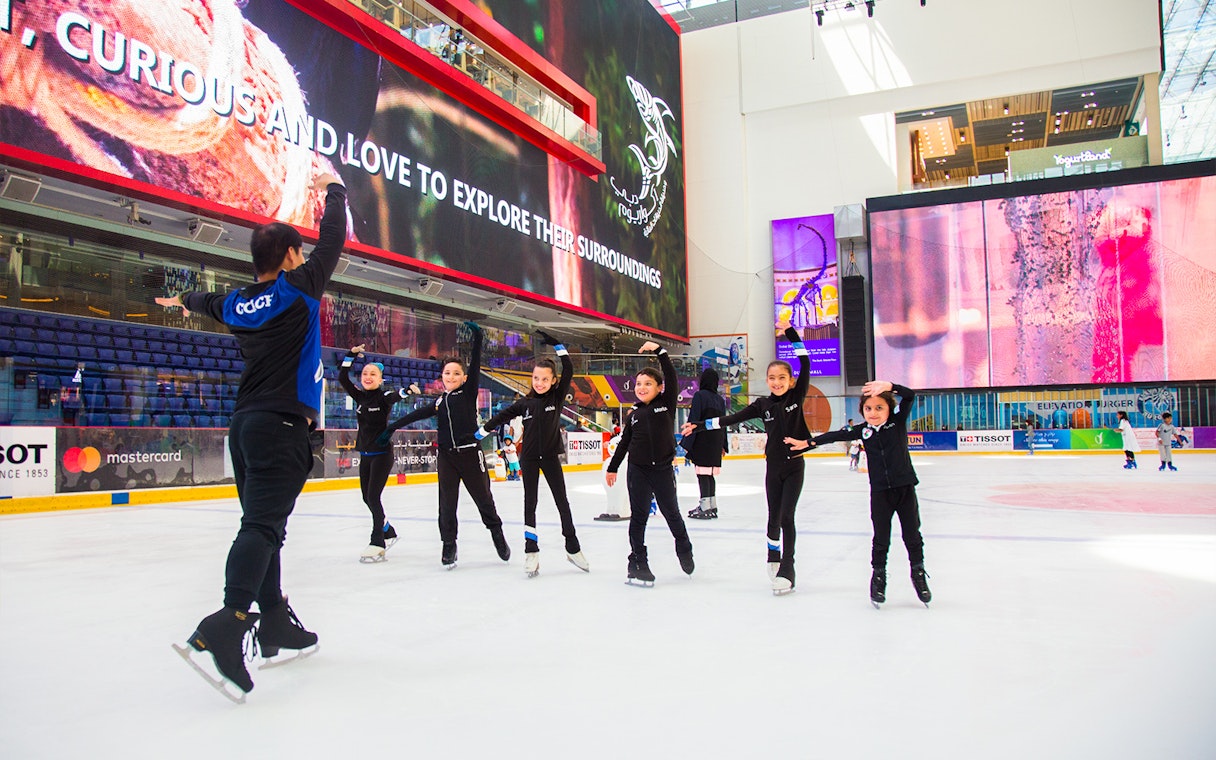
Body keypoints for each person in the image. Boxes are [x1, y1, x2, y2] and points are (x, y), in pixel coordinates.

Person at [158, 172, 345, 700]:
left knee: (266, 527)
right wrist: (335, 190)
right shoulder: (298, 288)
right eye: (299, 252)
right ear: (290, 255)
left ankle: (275, 622)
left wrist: (182, 301)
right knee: (262, 527)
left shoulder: (239, 302)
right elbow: (334, 239)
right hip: (282, 426)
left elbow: (206, 301)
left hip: (245, 427)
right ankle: (228, 620)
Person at [682, 324, 809, 595]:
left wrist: (790, 333)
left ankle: (788, 568)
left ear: (791, 380)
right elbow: (730, 419)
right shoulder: (763, 405)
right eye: (772, 377)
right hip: (773, 467)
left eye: (782, 378)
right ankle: (773, 555)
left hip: (794, 466)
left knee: (787, 517)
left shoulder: (797, 396)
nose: (776, 382)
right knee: (773, 517)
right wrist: (700, 426)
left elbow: (805, 362)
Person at [384, 321, 509, 568]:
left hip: (470, 455)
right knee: (446, 503)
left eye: (456, 373)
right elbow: (416, 414)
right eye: (447, 373)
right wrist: (391, 427)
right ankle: (449, 544)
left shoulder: (468, 392)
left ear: (464, 378)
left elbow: (475, 363)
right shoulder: (440, 401)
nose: (451, 376)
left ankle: (496, 532)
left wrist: (477, 338)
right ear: (442, 376)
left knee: (483, 498)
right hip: (447, 458)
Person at [801, 380, 931, 608]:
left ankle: (918, 573)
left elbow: (910, 395)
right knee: (881, 538)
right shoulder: (863, 430)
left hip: (904, 489)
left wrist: (890, 386)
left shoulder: (897, 422)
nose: (873, 413)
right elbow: (834, 435)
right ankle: (878, 577)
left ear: (889, 409)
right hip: (880, 493)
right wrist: (809, 442)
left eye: (879, 407)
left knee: (912, 534)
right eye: (868, 408)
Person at [477, 332, 588, 577]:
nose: (539, 382)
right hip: (528, 458)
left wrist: (557, 345)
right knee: (530, 503)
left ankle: (572, 546)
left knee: (562, 501)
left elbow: (569, 368)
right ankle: (531, 551)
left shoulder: (556, 398)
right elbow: (501, 416)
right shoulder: (524, 404)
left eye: (545, 379)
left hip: (549, 458)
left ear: (553, 381)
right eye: (536, 378)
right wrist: (482, 431)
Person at [606, 341, 693, 586]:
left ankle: (684, 547)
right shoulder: (633, 414)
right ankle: (638, 561)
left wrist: (660, 351)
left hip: (663, 470)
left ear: (659, 388)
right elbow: (624, 443)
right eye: (638, 384)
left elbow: (671, 376)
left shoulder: (666, 404)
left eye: (647, 384)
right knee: (639, 517)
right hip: (638, 471)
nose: (642, 388)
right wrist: (613, 467)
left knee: (671, 513)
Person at [337, 344, 420, 563]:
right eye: (365, 373)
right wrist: (351, 355)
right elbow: (343, 377)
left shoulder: (383, 397)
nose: (368, 377)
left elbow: (394, 396)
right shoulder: (359, 397)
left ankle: (377, 542)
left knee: (373, 496)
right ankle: (387, 530)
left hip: (382, 454)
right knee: (366, 497)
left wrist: (407, 391)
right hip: (365, 454)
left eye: (373, 374)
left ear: (380, 379)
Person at [683, 366, 727, 520]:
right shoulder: (720, 400)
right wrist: (723, 445)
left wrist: (687, 443)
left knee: (702, 474)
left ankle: (704, 507)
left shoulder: (700, 396)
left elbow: (694, 419)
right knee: (709, 475)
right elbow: (724, 423)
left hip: (703, 441)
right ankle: (712, 506)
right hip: (716, 442)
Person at [596, 432, 630, 521]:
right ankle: (610, 510)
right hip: (610, 486)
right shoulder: (608, 461)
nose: (612, 447)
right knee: (611, 495)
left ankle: (622, 511)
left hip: (621, 487)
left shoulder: (625, 462)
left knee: (621, 496)